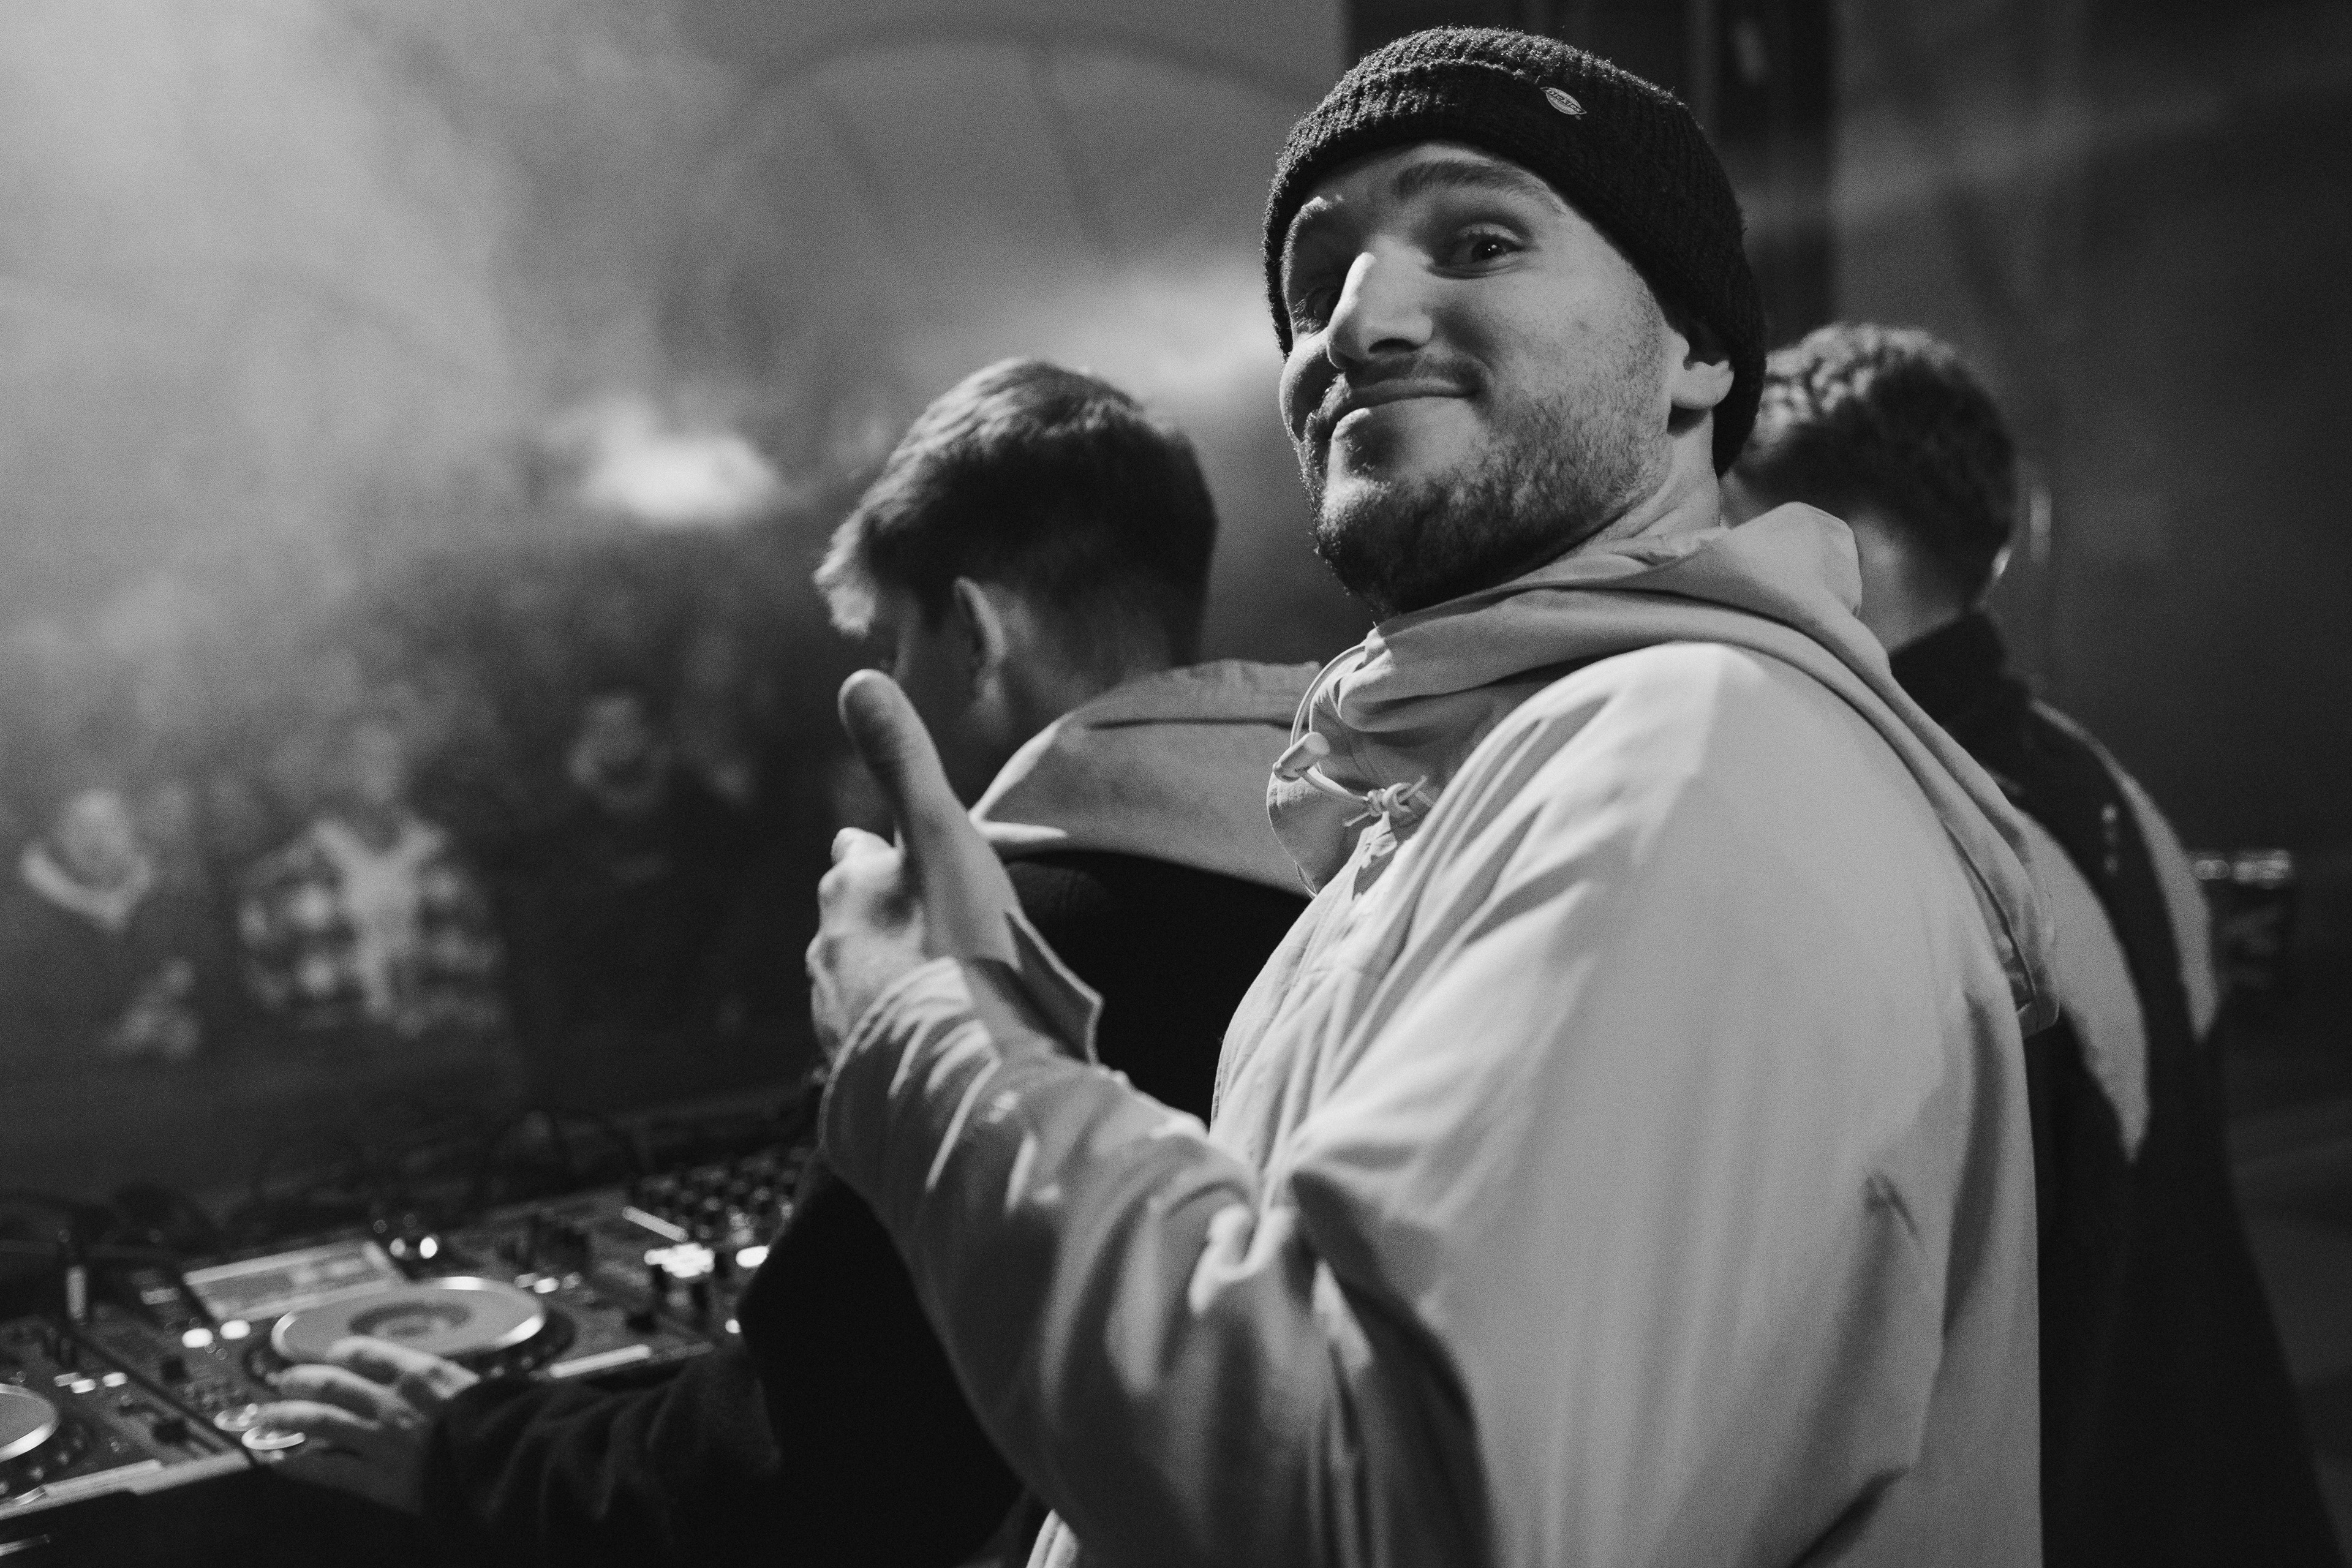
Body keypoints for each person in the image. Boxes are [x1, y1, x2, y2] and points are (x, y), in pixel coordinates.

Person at [807, 28, 2058, 1568]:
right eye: (1314, 282)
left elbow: (1369, 1499)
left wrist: (929, 1043)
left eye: (1476, 242)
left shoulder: (1685, 758)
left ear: (1696, 352)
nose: (1356, 322)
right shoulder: (1470, 783)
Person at [255, 361, 1316, 1567]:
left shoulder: (1002, 943)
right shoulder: (1350, 874)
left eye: (897, 641)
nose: (896, 678)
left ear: (975, 633)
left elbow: (806, 1478)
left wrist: (466, 1451)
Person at [1726, 322, 2342, 1566]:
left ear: (1828, 546)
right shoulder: (2097, 780)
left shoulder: (1888, 825)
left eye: (1733, 526)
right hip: (2220, 1479)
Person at [496, 681, 760, 1108]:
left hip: (703, 1047)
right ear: (581, 744)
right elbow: (539, 965)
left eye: (627, 726)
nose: (616, 741)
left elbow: (738, 933)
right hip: (598, 1060)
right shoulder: (552, 845)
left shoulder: (709, 824)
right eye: (601, 728)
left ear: (655, 736)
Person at [238, 714, 504, 1042]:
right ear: (333, 772)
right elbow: (269, 998)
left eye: (391, 756)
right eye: (363, 756)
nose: (381, 767)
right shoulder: (280, 879)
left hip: (451, 1057)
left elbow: (485, 966)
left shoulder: (444, 859)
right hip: (337, 1064)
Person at [0, 780, 224, 1074]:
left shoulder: (174, 901)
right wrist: (111, 1043)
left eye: (109, 825)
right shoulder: (19, 923)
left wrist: (197, 1024)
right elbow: (15, 1034)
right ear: (57, 836)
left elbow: (225, 988)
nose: (96, 841)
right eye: (79, 828)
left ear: (132, 830)